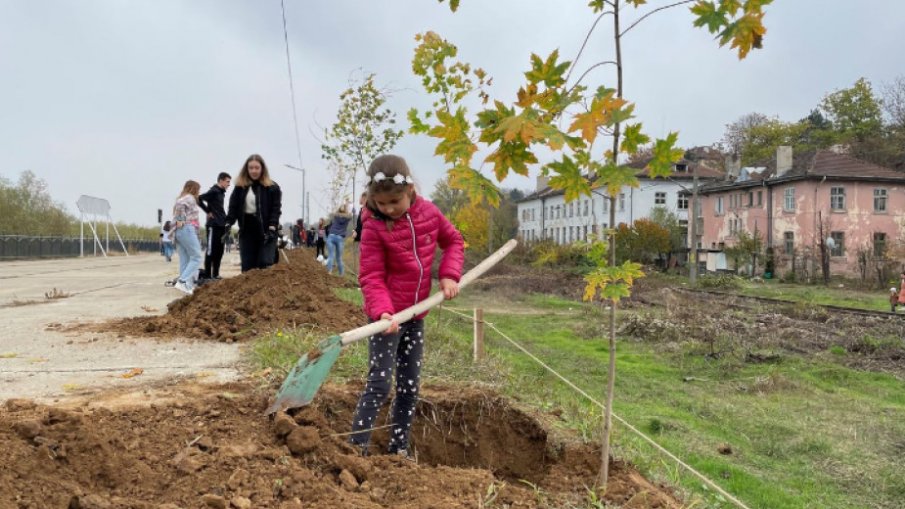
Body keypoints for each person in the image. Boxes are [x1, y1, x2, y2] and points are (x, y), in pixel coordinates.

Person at [349, 154, 465, 457]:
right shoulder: (373, 225)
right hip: (387, 318)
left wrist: (449, 275)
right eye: (381, 202)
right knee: (380, 383)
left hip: (417, 315)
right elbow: (371, 275)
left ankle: (398, 449)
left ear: (409, 190)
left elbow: (453, 241)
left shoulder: (429, 213)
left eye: (394, 202)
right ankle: (355, 447)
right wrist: (383, 312)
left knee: (410, 388)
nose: (387, 209)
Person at [225, 154, 282, 272]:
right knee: (247, 266)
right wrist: (228, 223)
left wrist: (272, 226)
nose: (254, 171)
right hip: (247, 229)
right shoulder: (240, 187)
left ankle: (265, 290)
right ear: (247, 169)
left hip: (266, 230)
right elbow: (233, 206)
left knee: (264, 264)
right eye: (251, 168)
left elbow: (276, 209)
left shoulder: (272, 187)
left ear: (262, 169)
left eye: (257, 168)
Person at [172, 180, 204, 295]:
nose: (199, 192)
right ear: (193, 189)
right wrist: (181, 224)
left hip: (181, 231)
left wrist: (179, 226)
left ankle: (187, 286)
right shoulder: (189, 198)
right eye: (198, 189)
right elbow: (180, 206)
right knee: (196, 257)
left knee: (185, 260)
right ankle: (183, 281)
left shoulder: (184, 197)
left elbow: (179, 206)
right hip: (186, 228)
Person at [198, 172, 231, 280]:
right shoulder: (214, 191)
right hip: (213, 225)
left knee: (219, 251)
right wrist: (207, 211)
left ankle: (215, 274)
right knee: (211, 251)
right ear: (221, 180)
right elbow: (199, 199)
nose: (229, 184)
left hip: (221, 225)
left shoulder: (221, 192)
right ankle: (207, 275)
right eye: (227, 181)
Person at [325, 204, 353, 275]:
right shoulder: (347, 218)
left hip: (331, 236)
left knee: (331, 255)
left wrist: (341, 207)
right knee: (339, 258)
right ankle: (341, 275)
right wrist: (348, 206)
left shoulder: (336, 216)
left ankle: (329, 272)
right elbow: (351, 214)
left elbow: (335, 213)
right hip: (340, 238)